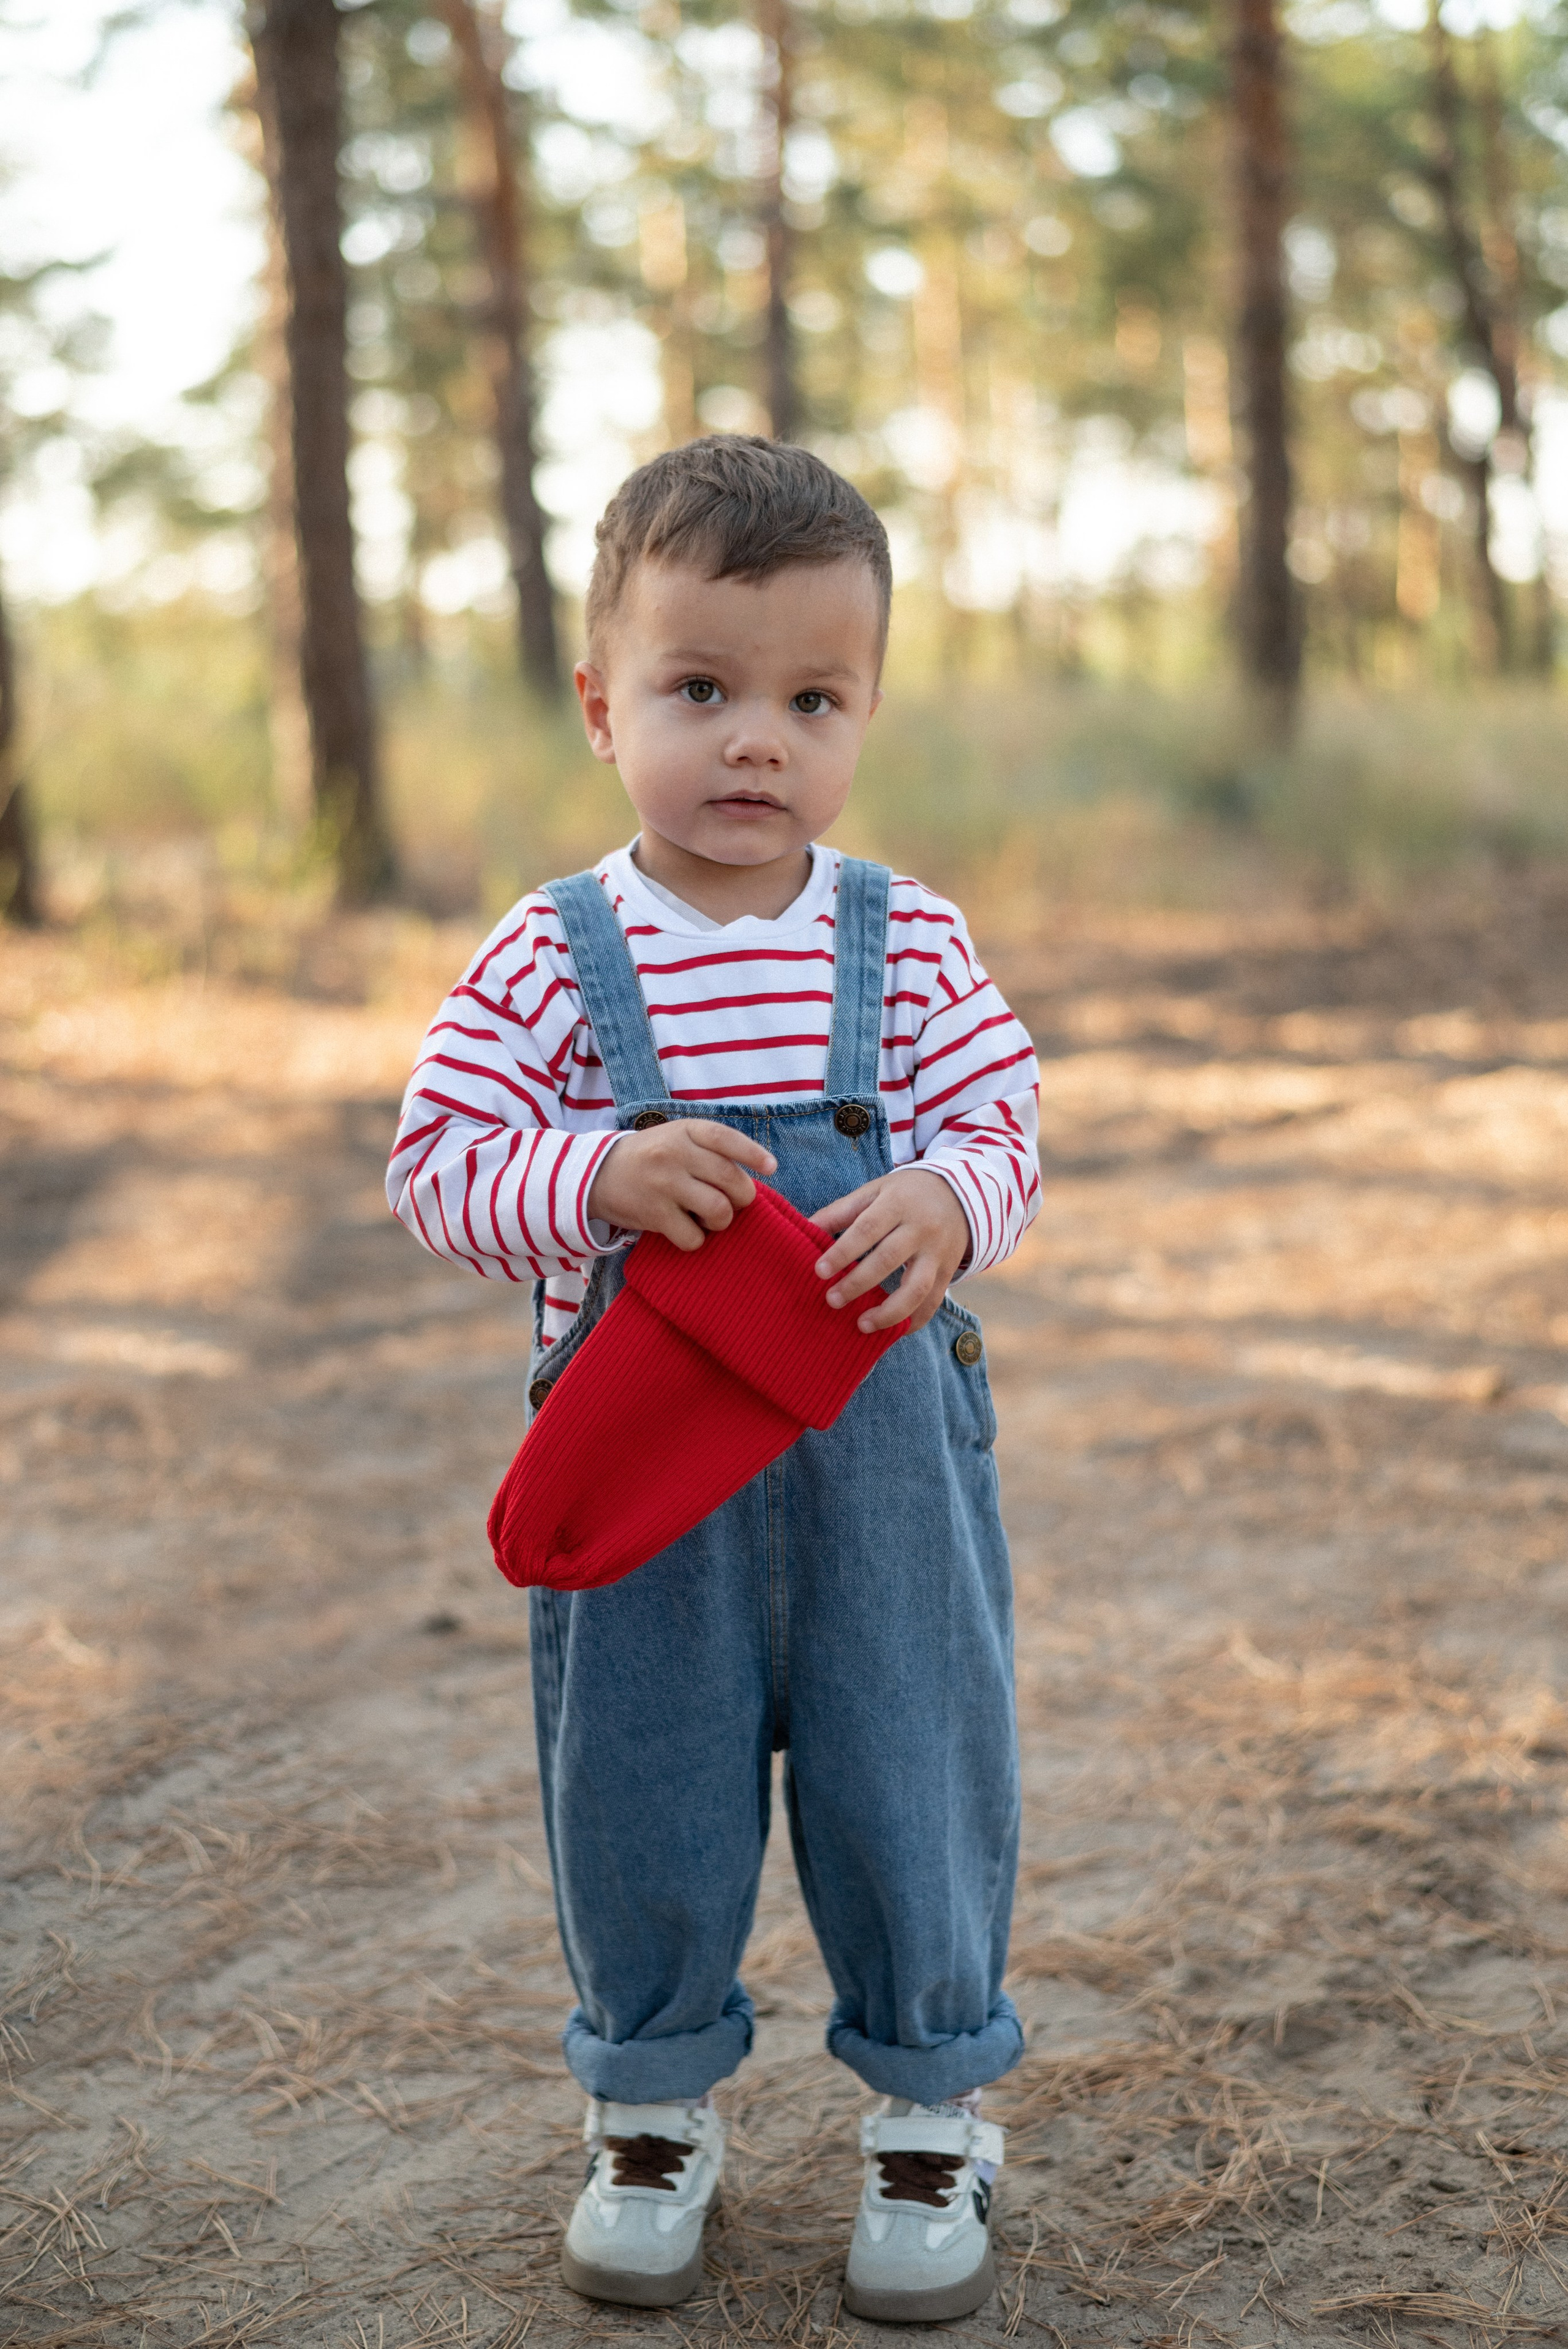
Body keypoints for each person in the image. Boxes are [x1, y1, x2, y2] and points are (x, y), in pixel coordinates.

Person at [387, 436, 1041, 2324]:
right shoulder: (551, 955)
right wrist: (589, 1174)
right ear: (604, 705)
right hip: (648, 1471)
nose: (758, 740)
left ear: (865, 714)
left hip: (879, 1463)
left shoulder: (903, 937)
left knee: (910, 1758)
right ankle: (652, 2107)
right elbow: (436, 1166)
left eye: (812, 700)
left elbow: (1003, 1123)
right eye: (701, 689)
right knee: (642, 1779)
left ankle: (932, 2111)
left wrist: (948, 1195)